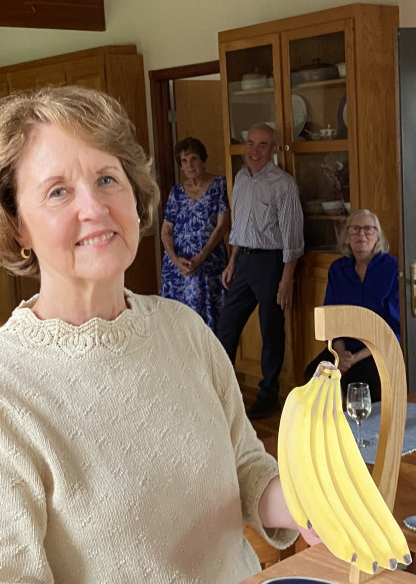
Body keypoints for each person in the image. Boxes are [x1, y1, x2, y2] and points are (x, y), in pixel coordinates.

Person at [0, 86, 308, 584]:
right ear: (17, 226)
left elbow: (246, 466)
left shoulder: (184, 331)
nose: (95, 208)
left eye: (108, 179)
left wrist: (305, 506)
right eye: (58, 191)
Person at [217, 122, 304, 419]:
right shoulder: (240, 178)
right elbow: (239, 226)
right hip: (243, 262)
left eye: (263, 145)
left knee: (271, 331)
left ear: (274, 149)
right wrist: (231, 262)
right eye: (251, 143)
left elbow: (293, 237)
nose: (254, 150)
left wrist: (286, 279)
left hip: (271, 263)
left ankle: (269, 394)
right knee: (225, 327)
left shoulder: (283, 184)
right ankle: (222, 393)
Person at [302, 209, 400, 402]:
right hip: (344, 347)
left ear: (378, 238)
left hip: (378, 349)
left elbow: (394, 328)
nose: (361, 234)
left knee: (364, 382)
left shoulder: (393, 268)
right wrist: (340, 354)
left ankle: (367, 431)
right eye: (355, 229)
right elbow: (331, 317)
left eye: (368, 229)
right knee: (313, 376)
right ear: (346, 237)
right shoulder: (337, 269)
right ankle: (329, 430)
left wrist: (354, 359)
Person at [160, 137, 230, 329]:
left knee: (212, 325)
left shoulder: (220, 185)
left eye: (194, 159)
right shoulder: (176, 192)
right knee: (179, 326)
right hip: (178, 269)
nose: (189, 165)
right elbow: (166, 230)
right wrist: (174, 259)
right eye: (184, 161)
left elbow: (222, 225)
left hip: (209, 264)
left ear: (203, 160)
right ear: (180, 166)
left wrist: (200, 257)